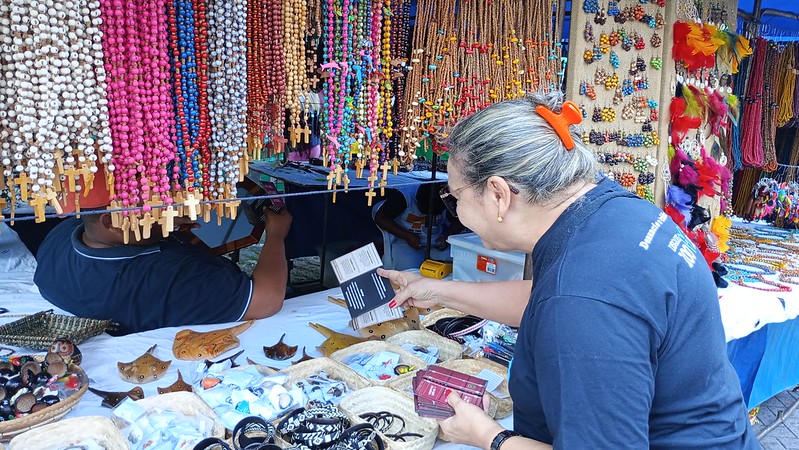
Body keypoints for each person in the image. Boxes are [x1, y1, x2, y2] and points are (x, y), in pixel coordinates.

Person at [379, 92, 758, 449]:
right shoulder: (610, 211)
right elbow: (543, 297)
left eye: (455, 196)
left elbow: (575, 304)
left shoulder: (581, 297)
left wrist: (491, 437)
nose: (455, 211)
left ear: (498, 194)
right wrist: (438, 290)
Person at [34, 177, 292, 335]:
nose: (169, 207)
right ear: (111, 221)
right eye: (157, 206)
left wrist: (162, 230)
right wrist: (276, 235)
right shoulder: (169, 276)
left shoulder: (63, 234)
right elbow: (266, 300)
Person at [373, 181, 464, 270]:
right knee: (409, 270)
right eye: (424, 211)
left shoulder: (448, 197)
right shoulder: (405, 195)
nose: (428, 216)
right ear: (417, 198)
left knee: (454, 267)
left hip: (437, 239)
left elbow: (460, 220)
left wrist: (446, 236)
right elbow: (380, 218)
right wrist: (407, 235)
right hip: (404, 239)